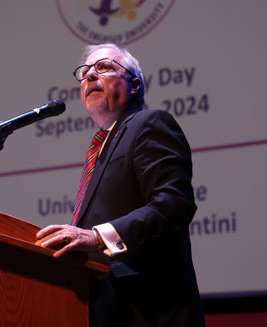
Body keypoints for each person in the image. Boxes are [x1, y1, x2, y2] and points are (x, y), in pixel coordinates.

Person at [35, 44, 205, 326]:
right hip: (104, 311)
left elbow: (175, 204)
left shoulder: (150, 123)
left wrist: (97, 237)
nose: (90, 77)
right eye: (85, 72)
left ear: (135, 85)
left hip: (148, 312)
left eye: (103, 68)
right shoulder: (102, 146)